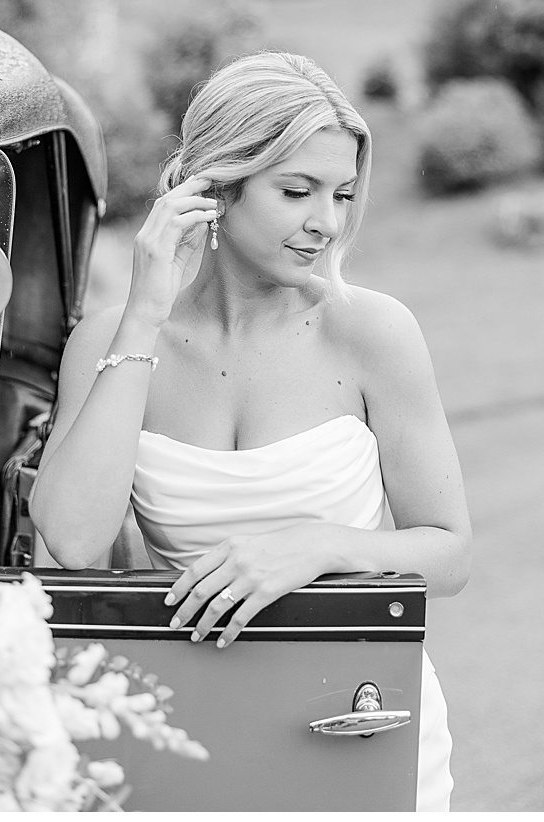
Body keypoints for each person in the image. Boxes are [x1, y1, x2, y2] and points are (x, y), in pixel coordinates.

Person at [31, 51, 468, 811]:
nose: (326, 224)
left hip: (358, 713)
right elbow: (73, 540)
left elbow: (452, 552)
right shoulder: (116, 338)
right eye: (296, 191)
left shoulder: (373, 333)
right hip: (191, 719)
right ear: (213, 188)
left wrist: (320, 546)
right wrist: (142, 314)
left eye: (341, 194)